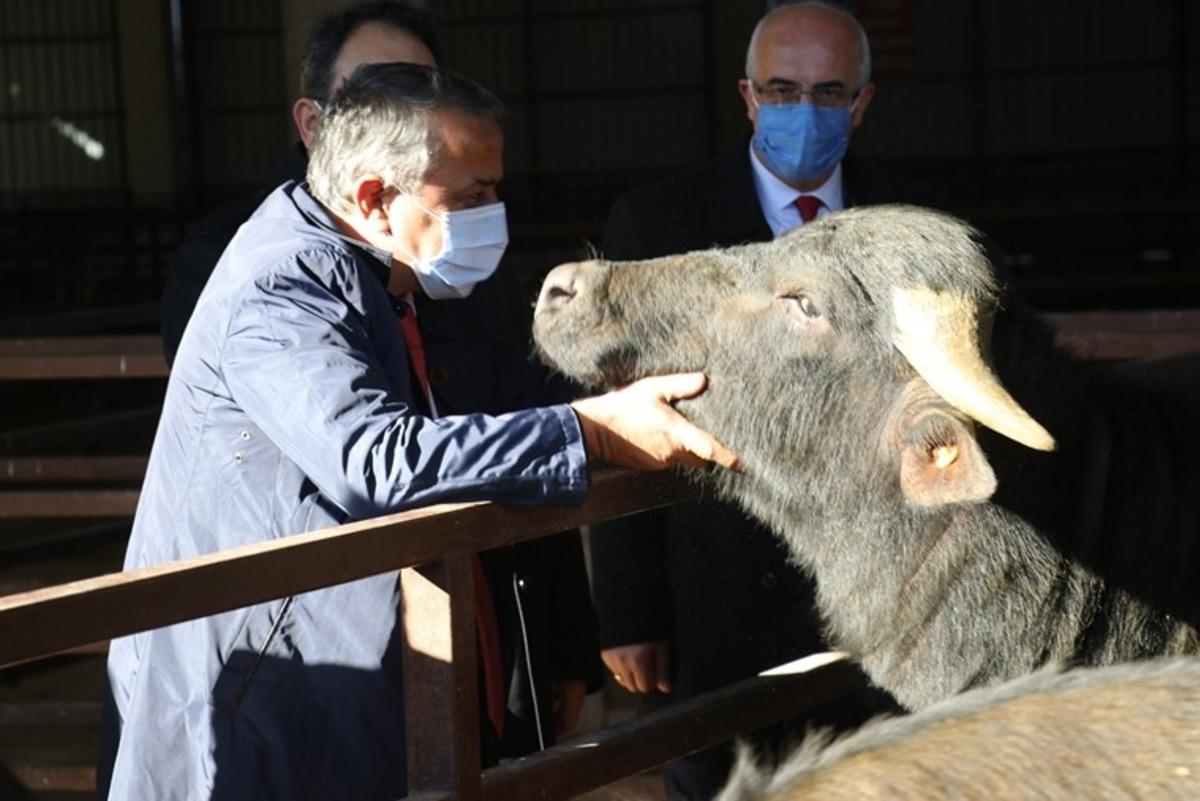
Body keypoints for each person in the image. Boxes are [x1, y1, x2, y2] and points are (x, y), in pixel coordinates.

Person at [100, 63, 738, 800]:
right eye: (471, 195)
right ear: (373, 197)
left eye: (495, 188)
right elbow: (376, 459)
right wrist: (589, 433)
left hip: (331, 670)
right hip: (269, 693)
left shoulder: (372, 272)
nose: (493, 212)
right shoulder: (283, 287)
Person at [591, 3, 906, 798]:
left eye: (830, 92)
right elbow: (619, 410)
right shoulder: (659, 225)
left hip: (878, 602)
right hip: (715, 596)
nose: (806, 110)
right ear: (748, 97)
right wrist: (630, 611)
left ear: (863, 103)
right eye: (783, 88)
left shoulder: (915, 224)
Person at [159, 1, 440, 367]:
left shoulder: (456, 242)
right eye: (376, 101)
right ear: (311, 123)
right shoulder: (227, 253)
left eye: (426, 101)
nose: (405, 124)